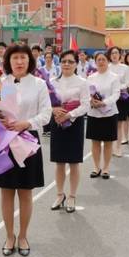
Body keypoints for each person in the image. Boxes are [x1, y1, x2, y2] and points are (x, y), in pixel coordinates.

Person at [0, 44, 51, 257]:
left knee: (25, 191)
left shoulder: (39, 84)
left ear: (29, 60)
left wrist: (27, 123)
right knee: (6, 191)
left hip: (28, 141)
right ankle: (9, 235)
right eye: (14, 58)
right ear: (8, 61)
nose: (19, 61)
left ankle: (23, 235)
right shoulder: (2, 83)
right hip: (5, 141)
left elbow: (46, 114)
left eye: (23, 57)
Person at [49, 50, 90, 212]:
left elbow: (86, 105)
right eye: (64, 61)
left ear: (76, 64)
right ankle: (60, 194)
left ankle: (72, 196)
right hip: (57, 122)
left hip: (74, 123)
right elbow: (47, 103)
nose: (66, 64)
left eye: (70, 62)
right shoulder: (52, 82)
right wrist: (54, 111)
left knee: (73, 162)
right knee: (59, 162)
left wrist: (70, 115)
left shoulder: (82, 82)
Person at [86, 51, 120, 179]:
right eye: (98, 60)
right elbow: (86, 94)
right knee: (95, 142)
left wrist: (103, 103)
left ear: (108, 61)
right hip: (94, 113)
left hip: (109, 114)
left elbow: (116, 94)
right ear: (95, 62)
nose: (101, 62)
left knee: (107, 143)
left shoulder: (114, 77)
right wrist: (91, 101)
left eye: (103, 59)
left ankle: (106, 168)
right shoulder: (90, 78)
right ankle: (96, 167)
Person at [107, 46, 128, 157]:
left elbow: (126, 83)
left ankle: (118, 147)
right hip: (109, 99)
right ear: (109, 55)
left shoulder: (125, 68)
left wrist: (118, 87)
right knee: (110, 124)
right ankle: (110, 148)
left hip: (120, 98)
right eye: (112, 53)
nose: (114, 55)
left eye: (116, 53)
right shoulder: (107, 67)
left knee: (119, 124)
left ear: (120, 55)